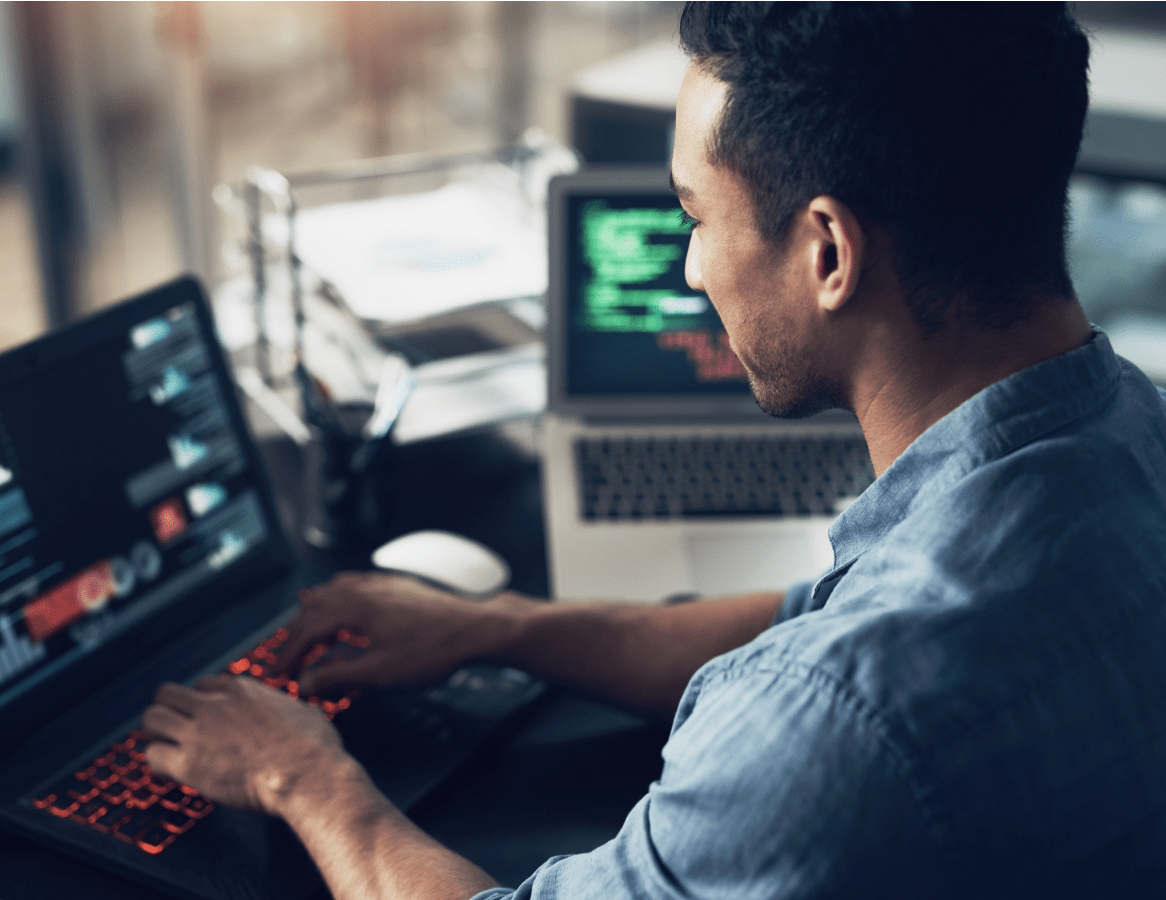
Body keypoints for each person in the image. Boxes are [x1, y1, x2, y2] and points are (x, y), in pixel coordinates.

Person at [141, 3, 1166, 898]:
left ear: (828, 253)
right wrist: (496, 629)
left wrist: (306, 780)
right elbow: (808, 617)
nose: (690, 265)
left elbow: (838, 687)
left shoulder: (828, 723)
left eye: (696, 214)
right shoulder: (1129, 433)